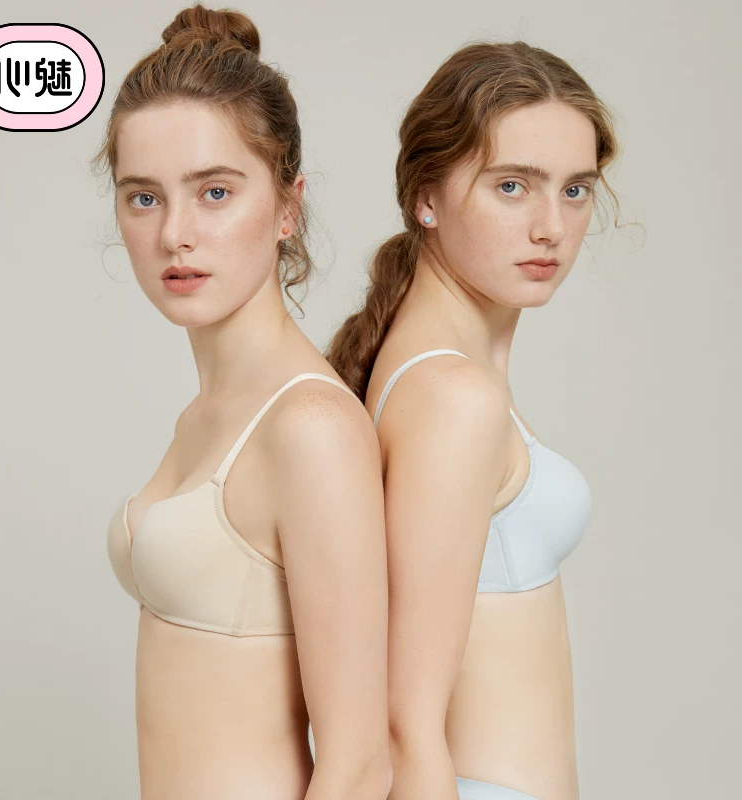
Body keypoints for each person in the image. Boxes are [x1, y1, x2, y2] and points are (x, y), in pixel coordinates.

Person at [96, 6, 391, 799]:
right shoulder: (205, 415)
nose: (175, 235)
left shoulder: (310, 427)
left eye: (215, 192)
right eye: (143, 198)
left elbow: (362, 764)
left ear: (289, 207)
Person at [327, 41, 622, 800]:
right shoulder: (453, 396)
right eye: (513, 186)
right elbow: (404, 726)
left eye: (576, 190)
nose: (552, 226)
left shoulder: (437, 369)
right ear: (427, 195)